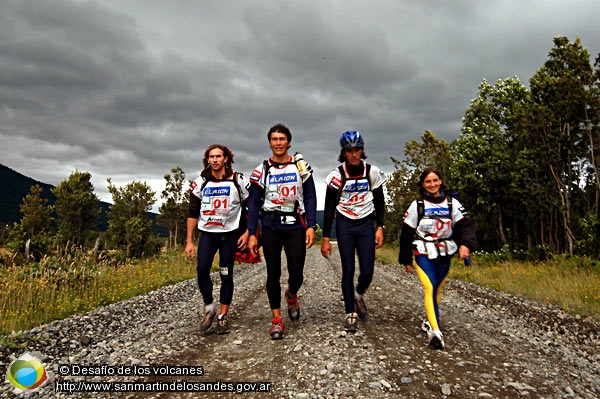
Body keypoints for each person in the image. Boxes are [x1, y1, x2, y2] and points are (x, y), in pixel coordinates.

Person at [247, 123, 317, 340]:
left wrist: (312, 225)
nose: (278, 143)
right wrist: (251, 233)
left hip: (295, 224)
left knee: (297, 274)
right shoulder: (262, 170)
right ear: (270, 142)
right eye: (274, 139)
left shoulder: (300, 166)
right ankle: (276, 320)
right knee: (273, 273)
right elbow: (253, 204)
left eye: (282, 139)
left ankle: (292, 294)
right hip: (271, 225)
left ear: (289, 142)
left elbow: (311, 196)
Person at [398, 167, 477, 349]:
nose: (432, 185)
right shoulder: (417, 205)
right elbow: (406, 234)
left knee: (438, 289)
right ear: (422, 185)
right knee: (429, 287)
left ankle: (428, 320)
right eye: (428, 181)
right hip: (423, 252)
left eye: (435, 180)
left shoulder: (452, 204)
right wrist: (406, 259)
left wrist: (466, 244)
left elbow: (465, 225)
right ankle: (435, 330)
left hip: (445, 252)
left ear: (440, 181)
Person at [321, 130, 387, 333]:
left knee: (367, 270)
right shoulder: (336, 175)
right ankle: (350, 312)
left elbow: (380, 202)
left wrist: (380, 227)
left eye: (357, 149)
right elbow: (329, 207)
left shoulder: (372, 172)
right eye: (349, 150)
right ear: (344, 152)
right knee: (348, 269)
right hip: (345, 224)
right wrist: (325, 237)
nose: (354, 154)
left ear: (362, 150)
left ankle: (358, 293)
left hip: (366, 223)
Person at [185, 144, 250, 335]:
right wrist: (189, 240)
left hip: (230, 234)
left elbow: (250, 208)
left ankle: (222, 316)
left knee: (225, 273)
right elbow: (192, 212)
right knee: (202, 269)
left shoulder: (238, 180)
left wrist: (248, 233)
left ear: (226, 159)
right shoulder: (201, 183)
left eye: (218, 156)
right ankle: (209, 308)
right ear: (207, 160)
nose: (214, 160)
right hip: (208, 233)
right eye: (211, 157)